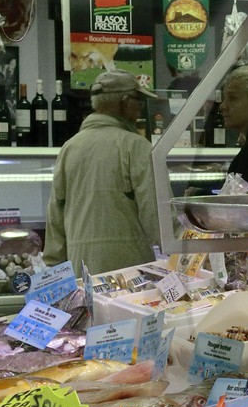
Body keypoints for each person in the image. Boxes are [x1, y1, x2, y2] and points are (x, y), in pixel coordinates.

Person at [43, 71, 161, 274]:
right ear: (125, 102)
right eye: (138, 102)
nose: (140, 110)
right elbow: (155, 214)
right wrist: (184, 250)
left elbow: (55, 214)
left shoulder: (70, 147)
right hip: (129, 275)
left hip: (80, 270)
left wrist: (55, 267)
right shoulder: (136, 146)